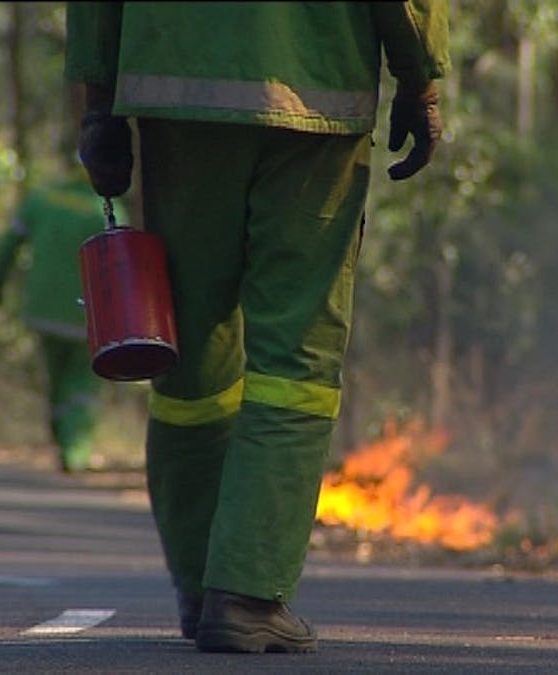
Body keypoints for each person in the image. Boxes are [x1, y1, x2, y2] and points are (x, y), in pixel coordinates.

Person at [64, 1, 449, 654]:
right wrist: (421, 80)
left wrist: (98, 100)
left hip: (177, 94)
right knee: (296, 359)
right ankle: (244, 592)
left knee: (189, 351)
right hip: (316, 94)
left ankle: (202, 580)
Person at [0, 166, 125, 474]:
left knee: (57, 380)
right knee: (83, 384)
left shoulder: (42, 199)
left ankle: (62, 440)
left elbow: (10, 243)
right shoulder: (105, 210)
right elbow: (122, 261)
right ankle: (75, 449)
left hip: (43, 309)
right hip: (88, 314)